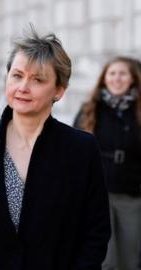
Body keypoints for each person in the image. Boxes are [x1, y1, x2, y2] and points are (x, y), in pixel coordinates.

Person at [0, 28, 111, 269]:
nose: (23, 86)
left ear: (59, 90)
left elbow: (96, 230)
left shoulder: (81, 149)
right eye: (17, 75)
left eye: (38, 79)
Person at [74, 56, 141, 270]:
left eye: (123, 74)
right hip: (97, 193)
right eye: (112, 73)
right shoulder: (89, 109)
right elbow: (73, 150)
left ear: (132, 79)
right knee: (106, 259)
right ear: (104, 78)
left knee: (131, 259)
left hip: (132, 194)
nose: (117, 78)